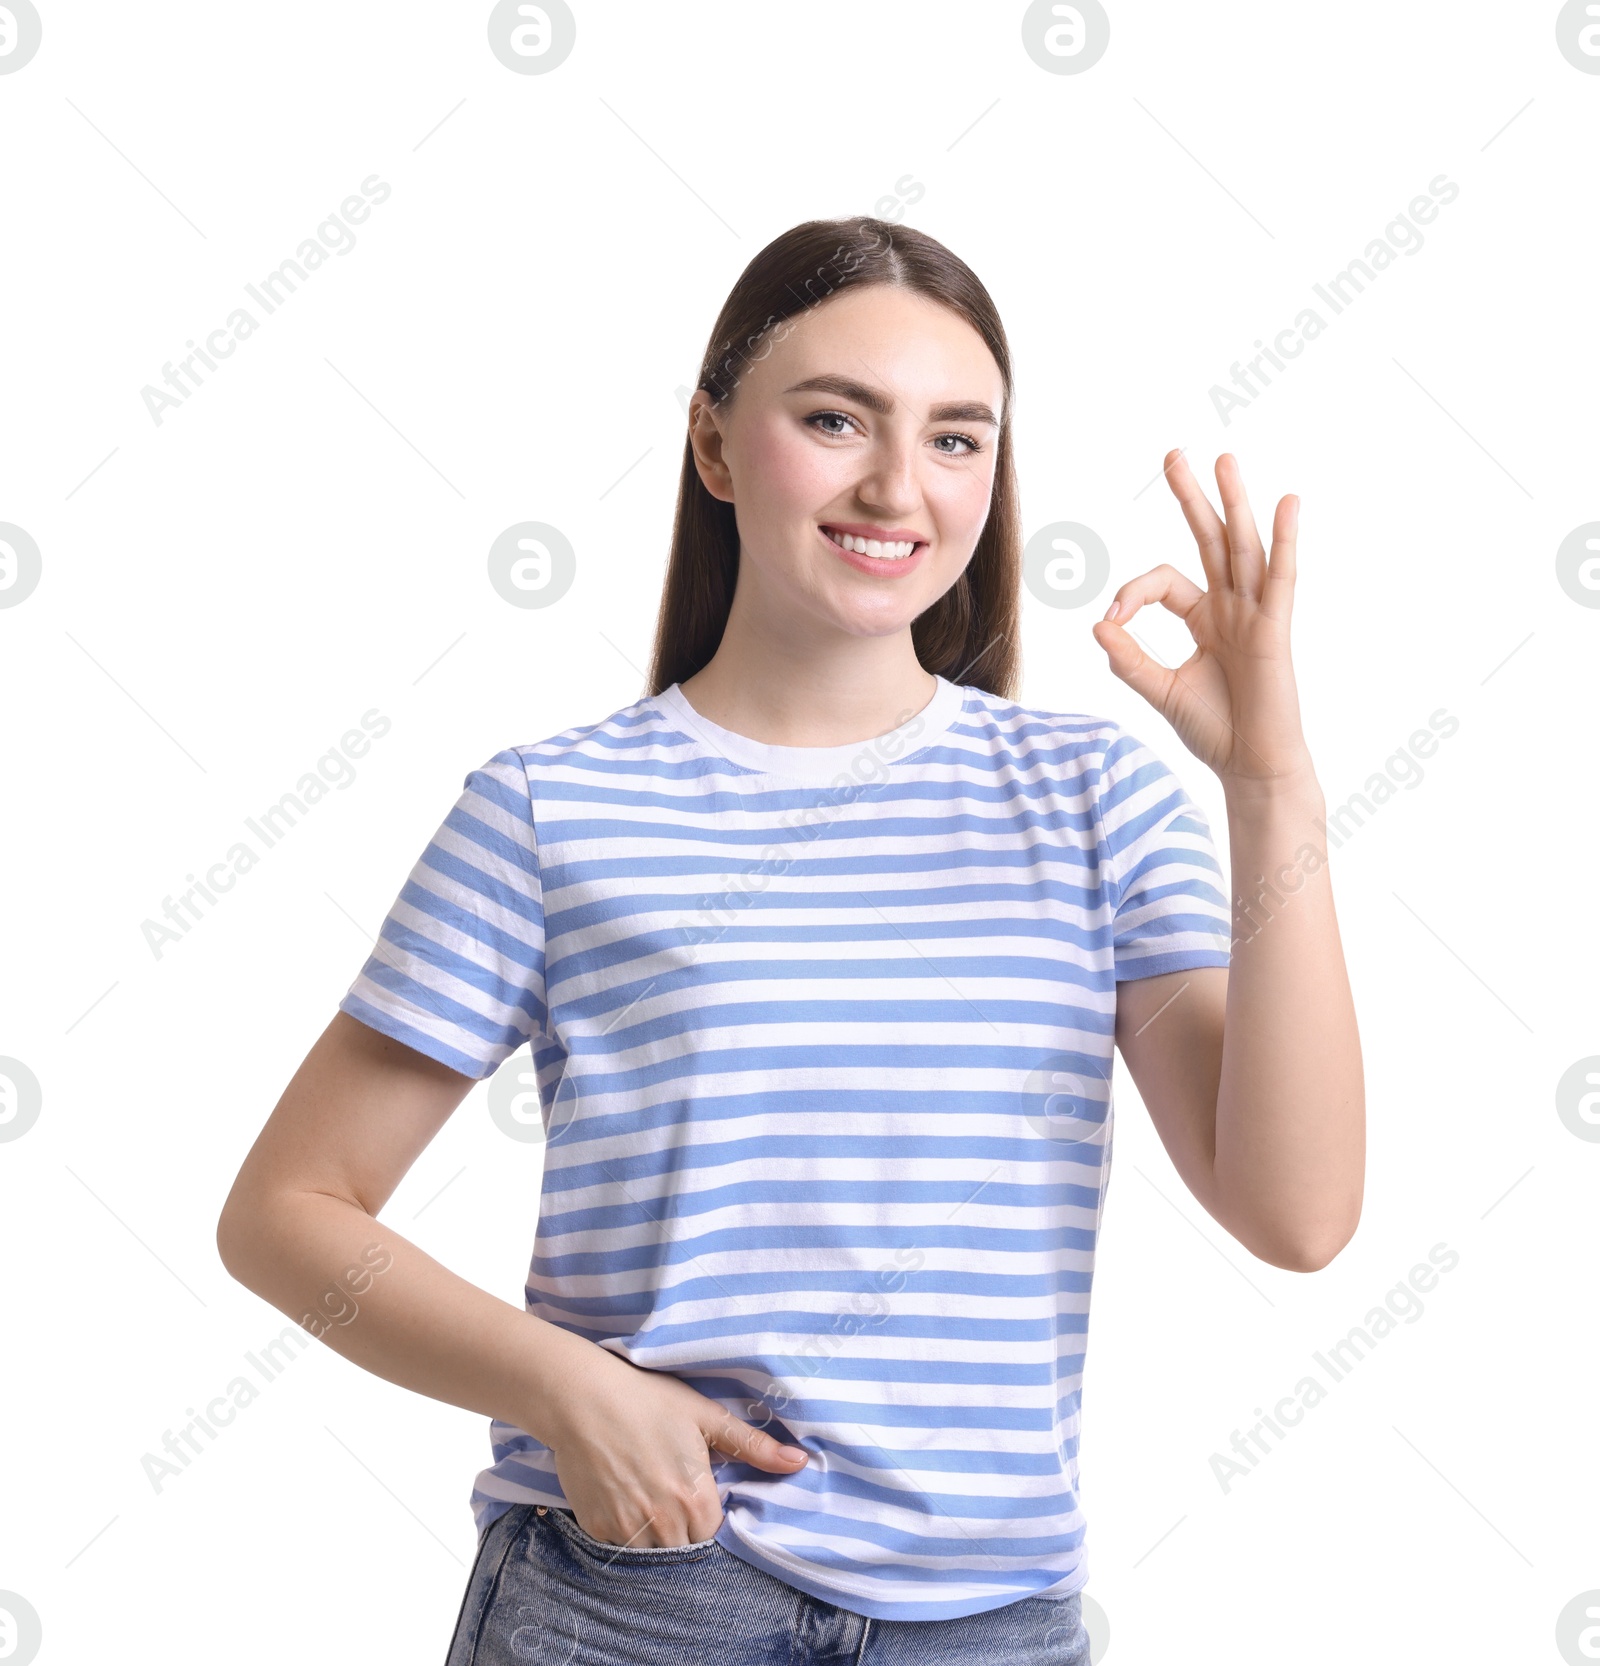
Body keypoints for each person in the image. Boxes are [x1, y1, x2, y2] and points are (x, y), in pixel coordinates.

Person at [216, 216, 1363, 1665]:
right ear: (712, 443)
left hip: (988, 1621)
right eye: (835, 419)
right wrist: (575, 1390)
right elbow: (287, 1210)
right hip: (638, 1596)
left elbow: (1299, 1212)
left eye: (959, 439)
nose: (899, 486)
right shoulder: (551, 810)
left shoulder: (1093, 799)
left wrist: (1271, 784)